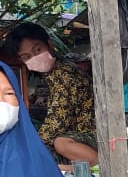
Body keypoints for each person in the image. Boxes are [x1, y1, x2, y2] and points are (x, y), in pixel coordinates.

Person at [6, 22, 98, 167]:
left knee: (58, 144)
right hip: (79, 136)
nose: (34, 57)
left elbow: (57, 122)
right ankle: (70, 168)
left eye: (37, 50)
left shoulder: (65, 75)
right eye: (26, 56)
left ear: (50, 44)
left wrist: (29, 147)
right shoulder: (55, 73)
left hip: (93, 136)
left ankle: (96, 165)